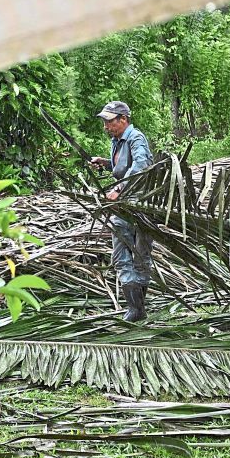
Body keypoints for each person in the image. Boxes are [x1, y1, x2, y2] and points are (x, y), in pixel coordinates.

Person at [90, 101, 154, 321]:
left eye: (109, 122)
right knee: (120, 256)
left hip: (139, 204)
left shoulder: (136, 138)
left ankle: (137, 310)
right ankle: (135, 308)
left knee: (141, 256)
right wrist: (106, 163)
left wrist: (119, 188)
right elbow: (123, 167)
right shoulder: (117, 141)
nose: (106, 127)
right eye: (105, 122)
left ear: (123, 120)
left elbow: (141, 167)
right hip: (122, 206)